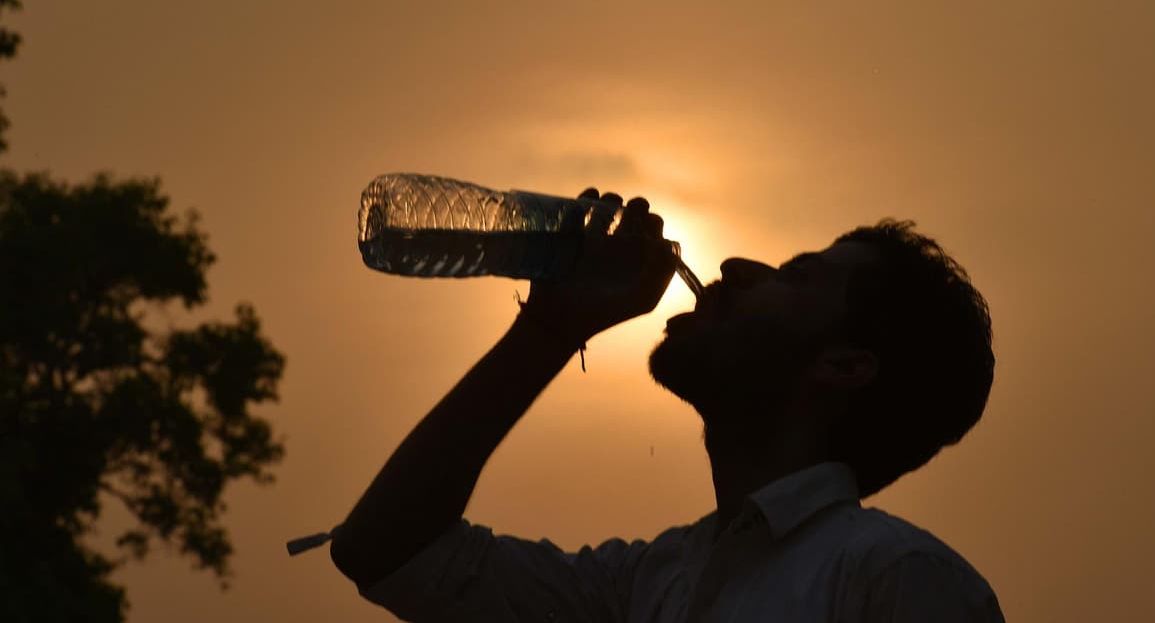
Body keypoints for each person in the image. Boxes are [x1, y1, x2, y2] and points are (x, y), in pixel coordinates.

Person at [326, 189, 1005, 622]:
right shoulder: (644, 586)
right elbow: (385, 550)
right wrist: (550, 330)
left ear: (845, 367)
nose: (736, 267)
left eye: (795, 275)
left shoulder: (897, 581)